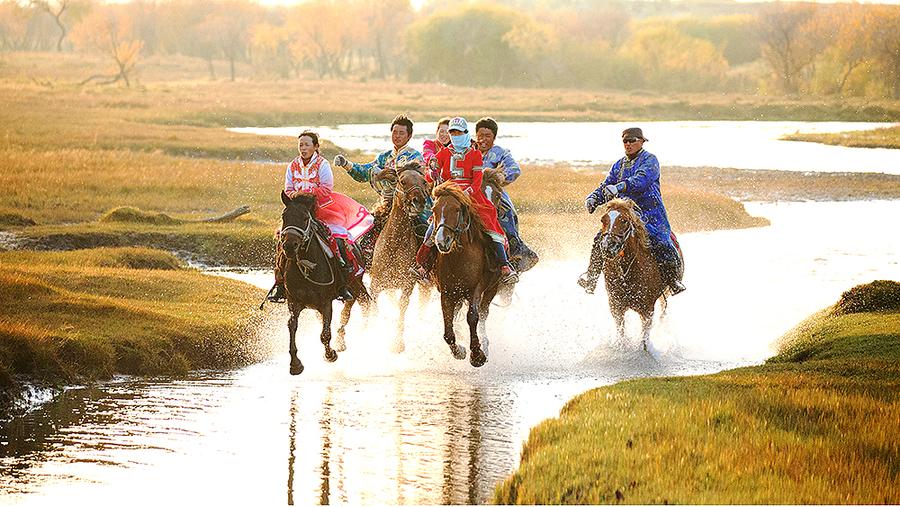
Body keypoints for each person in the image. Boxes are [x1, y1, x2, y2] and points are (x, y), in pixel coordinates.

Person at [269, 130, 374, 303]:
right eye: (301, 145)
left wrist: (304, 195)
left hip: (323, 209)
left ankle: (343, 280)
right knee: (283, 239)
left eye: (307, 144)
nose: (303, 148)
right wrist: (297, 198)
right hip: (298, 212)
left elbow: (326, 189)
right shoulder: (292, 165)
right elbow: (288, 189)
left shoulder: (322, 164)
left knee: (338, 239)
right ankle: (280, 283)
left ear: (316, 146)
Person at [579, 127, 686, 295]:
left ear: (641, 142)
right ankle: (591, 278)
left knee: (663, 242)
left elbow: (641, 180)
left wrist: (620, 186)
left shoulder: (650, 160)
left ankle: (673, 280)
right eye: (625, 141)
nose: (628, 144)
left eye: (632, 140)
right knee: (600, 239)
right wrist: (593, 198)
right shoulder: (618, 165)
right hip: (625, 216)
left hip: (651, 215)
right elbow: (606, 185)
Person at [412, 117, 518, 284]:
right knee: (434, 226)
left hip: (471, 195)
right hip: (448, 194)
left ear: (465, 133)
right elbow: (430, 172)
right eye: (452, 132)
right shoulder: (444, 153)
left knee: (490, 224)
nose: (455, 135)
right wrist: (431, 173)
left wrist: (469, 191)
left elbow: (477, 178)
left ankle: (504, 265)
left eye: (459, 132)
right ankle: (423, 266)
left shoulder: (474, 154)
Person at [332, 114, 428, 241]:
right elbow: (365, 172)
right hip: (387, 204)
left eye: (401, 133)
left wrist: (393, 177)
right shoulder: (384, 157)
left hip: (411, 206)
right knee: (366, 237)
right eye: (395, 132)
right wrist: (346, 164)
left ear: (409, 136)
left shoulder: (416, 156)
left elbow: (418, 180)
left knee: (424, 233)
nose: (397, 136)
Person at [474, 117, 539, 272]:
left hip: (493, 192)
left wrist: (502, 177)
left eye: (487, 136)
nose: (483, 140)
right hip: (472, 191)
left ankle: (516, 249)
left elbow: (515, 169)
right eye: (480, 135)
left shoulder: (501, 153)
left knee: (507, 211)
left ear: (494, 137)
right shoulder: (468, 150)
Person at [423, 117, 451, 182]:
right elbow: (427, 154)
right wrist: (435, 159)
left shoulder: (455, 147)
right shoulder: (429, 144)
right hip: (431, 180)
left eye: (448, 132)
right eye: (441, 131)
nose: (444, 135)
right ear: (436, 132)